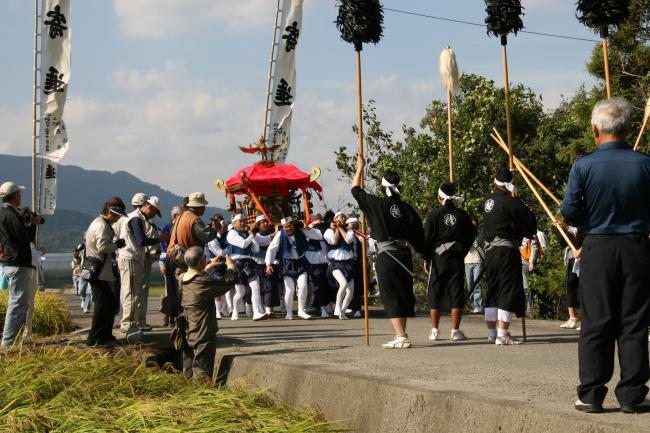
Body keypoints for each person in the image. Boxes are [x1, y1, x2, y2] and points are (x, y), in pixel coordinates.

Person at [561, 97, 650, 414]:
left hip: (597, 246)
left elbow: (569, 211)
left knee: (596, 321)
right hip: (637, 246)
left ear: (596, 130)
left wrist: (588, 218)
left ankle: (591, 393)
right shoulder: (645, 163)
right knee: (634, 321)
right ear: (627, 129)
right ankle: (632, 394)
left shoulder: (583, 165)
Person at [351, 157, 426, 349]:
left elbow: (355, 190)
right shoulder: (407, 208)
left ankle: (401, 335)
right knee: (402, 292)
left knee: (391, 294)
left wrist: (360, 168)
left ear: (383, 187)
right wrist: (426, 255)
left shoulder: (377, 204)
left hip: (387, 256)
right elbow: (418, 235)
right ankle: (401, 334)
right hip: (404, 254)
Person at [482, 167, 536, 346]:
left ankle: (491, 332)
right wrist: (516, 197)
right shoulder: (511, 202)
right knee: (507, 289)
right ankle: (502, 334)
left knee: (493, 289)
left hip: (490, 251)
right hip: (506, 250)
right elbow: (529, 223)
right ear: (509, 185)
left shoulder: (487, 200)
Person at [423, 182, 475, 342]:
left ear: (439, 197)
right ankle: (455, 331)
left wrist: (426, 257)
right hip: (457, 256)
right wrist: (462, 251)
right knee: (456, 291)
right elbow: (471, 236)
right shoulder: (463, 215)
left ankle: (435, 330)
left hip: (439, 256)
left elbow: (426, 239)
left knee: (435, 291)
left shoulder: (433, 215)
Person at [179, 246, 236, 380]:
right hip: (202, 333)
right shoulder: (203, 282)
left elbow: (195, 276)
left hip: (187, 330)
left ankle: (187, 394)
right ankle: (202, 396)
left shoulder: (181, 278)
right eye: (204, 257)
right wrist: (230, 267)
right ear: (200, 262)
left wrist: (209, 266)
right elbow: (228, 281)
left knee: (188, 371)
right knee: (202, 374)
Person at [0, 182, 43, 346]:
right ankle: (9, 341)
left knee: (17, 301)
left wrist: (29, 222)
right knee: (18, 302)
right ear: (15, 195)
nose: (21, 197)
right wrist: (32, 225)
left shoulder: (4, 212)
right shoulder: (11, 215)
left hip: (10, 262)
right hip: (17, 262)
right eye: (19, 194)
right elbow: (25, 237)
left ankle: (11, 339)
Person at [114, 196, 162, 333]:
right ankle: (128, 324)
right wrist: (159, 239)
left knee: (132, 292)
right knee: (132, 293)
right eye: (154, 212)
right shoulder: (136, 218)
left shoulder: (129, 217)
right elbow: (141, 241)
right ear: (149, 207)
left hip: (129, 257)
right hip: (130, 258)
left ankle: (133, 322)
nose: (154, 216)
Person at [84, 197, 128, 346]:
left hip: (97, 268)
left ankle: (104, 335)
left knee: (107, 304)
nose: (117, 218)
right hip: (99, 270)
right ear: (108, 212)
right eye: (115, 214)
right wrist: (117, 244)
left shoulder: (97, 222)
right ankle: (95, 337)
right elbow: (102, 247)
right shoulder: (102, 225)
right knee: (103, 305)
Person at [265, 216, 321, 320]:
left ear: (293, 224)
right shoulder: (280, 234)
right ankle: (289, 313)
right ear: (283, 227)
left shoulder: (302, 231)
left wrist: (308, 228)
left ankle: (301, 310)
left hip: (301, 262)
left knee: (303, 286)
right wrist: (268, 264)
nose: (289, 228)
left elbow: (318, 236)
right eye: (286, 227)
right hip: (287, 263)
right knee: (289, 290)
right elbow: (271, 249)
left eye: (290, 225)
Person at [226, 214, 264, 321]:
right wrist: (251, 236)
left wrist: (254, 237)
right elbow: (243, 244)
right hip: (238, 264)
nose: (243, 223)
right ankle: (235, 311)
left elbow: (256, 250)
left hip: (249, 263)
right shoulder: (232, 233)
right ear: (234, 223)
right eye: (240, 221)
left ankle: (256, 313)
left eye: (244, 221)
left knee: (255, 286)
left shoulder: (246, 233)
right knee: (240, 292)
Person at [324, 211, 356, 320]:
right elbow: (334, 241)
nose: (343, 218)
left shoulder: (349, 231)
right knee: (343, 284)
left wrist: (341, 228)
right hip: (335, 263)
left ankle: (342, 312)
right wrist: (336, 229)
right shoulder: (329, 231)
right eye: (341, 217)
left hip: (348, 263)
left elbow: (348, 240)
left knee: (350, 291)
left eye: (344, 217)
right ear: (335, 218)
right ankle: (337, 308)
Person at [304, 214, 335, 318]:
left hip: (326, 264)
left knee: (328, 285)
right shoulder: (309, 235)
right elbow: (305, 230)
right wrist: (312, 224)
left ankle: (327, 305)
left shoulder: (325, 234)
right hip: (313, 266)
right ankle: (323, 309)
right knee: (319, 287)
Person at [251, 214, 280, 318]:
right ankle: (260, 309)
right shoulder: (255, 234)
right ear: (258, 225)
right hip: (257, 264)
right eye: (263, 222)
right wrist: (276, 233)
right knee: (260, 288)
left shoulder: (269, 233)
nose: (266, 223)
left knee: (270, 286)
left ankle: (269, 309)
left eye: (266, 221)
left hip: (269, 264)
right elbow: (262, 241)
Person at [556, 223, 583, 330]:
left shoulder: (583, 221)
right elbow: (563, 243)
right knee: (570, 286)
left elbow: (583, 234)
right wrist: (558, 229)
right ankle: (572, 318)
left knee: (583, 288)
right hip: (571, 256)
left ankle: (585, 319)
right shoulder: (568, 222)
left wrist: (569, 228)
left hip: (585, 255)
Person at [159, 206, 182, 326]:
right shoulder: (165, 228)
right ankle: (166, 314)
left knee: (180, 290)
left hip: (179, 263)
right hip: (167, 261)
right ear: (175, 217)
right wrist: (162, 264)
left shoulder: (181, 228)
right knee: (168, 290)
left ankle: (176, 316)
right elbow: (162, 248)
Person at [465, 218, 485, 314]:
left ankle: (479, 306)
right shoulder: (465, 235)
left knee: (477, 285)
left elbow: (478, 244)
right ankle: (473, 306)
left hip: (478, 261)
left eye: (474, 225)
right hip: (467, 262)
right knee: (470, 285)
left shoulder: (480, 235)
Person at [519, 236, 539, 313]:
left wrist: (531, 262)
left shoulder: (530, 233)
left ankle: (529, 307)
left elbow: (534, 247)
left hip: (526, 263)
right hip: (517, 262)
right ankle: (521, 306)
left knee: (526, 286)